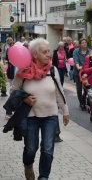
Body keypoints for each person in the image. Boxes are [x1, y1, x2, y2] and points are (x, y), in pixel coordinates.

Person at [11, 38, 69, 180]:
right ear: (35, 55)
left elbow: (59, 92)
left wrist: (65, 112)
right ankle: (28, 165)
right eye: (45, 52)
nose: (49, 54)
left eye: (49, 51)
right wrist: (24, 98)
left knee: (48, 149)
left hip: (50, 116)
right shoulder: (23, 70)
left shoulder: (52, 70)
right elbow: (13, 91)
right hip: (30, 117)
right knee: (31, 149)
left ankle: (43, 177)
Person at [73, 38, 91, 111]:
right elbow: (76, 60)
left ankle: (84, 99)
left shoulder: (90, 51)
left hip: (87, 72)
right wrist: (78, 67)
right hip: (78, 72)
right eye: (83, 43)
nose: (84, 44)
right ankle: (81, 103)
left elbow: (91, 60)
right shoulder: (76, 51)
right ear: (80, 44)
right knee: (79, 88)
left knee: (87, 88)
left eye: (85, 42)